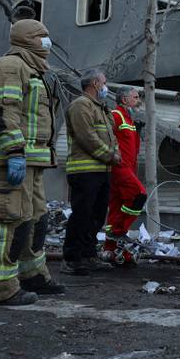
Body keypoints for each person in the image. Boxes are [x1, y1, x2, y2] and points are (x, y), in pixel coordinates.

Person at [0, 19, 65, 305]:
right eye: (42, 37)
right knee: (9, 223)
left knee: (34, 221)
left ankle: (32, 276)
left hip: (31, 163)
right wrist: (14, 152)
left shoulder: (35, 71)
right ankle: (0, 288)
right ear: (27, 40)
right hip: (8, 162)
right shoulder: (9, 66)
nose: (47, 43)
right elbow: (2, 113)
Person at [62, 69, 120, 275]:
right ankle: (72, 259)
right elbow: (86, 137)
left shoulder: (99, 108)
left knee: (96, 217)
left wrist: (112, 156)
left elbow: (111, 136)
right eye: (104, 83)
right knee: (82, 215)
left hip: (101, 171)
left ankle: (88, 255)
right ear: (95, 83)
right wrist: (110, 156)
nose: (106, 87)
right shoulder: (80, 105)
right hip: (84, 172)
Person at [101, 86, 146, 265]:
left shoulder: (128, 118)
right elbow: (105, 136)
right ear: (124, 99)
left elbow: (131, 146)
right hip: (119, 168)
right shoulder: (116, 114)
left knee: (116, 206)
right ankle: (119, 232)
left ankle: (110, 249)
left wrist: (137, 132)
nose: (138, 100)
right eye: (135, 97)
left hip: (128, 168)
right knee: (139, 195)